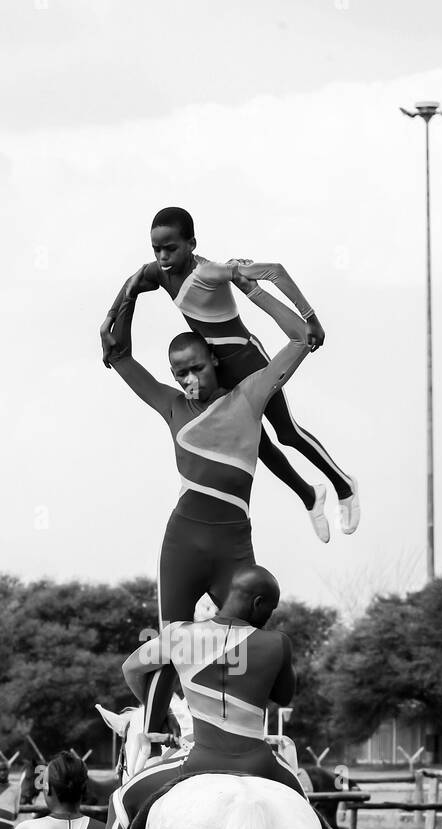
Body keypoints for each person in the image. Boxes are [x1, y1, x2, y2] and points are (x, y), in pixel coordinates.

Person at [75, 565, 341, 829]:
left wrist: (156, 711)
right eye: (269, 608)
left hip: (200, 759)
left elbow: (132, 668)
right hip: (260, 762)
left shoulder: (180, 635)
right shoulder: (277, 643)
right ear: (257, 603)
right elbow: (283, 693)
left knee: (120, 805)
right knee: (302, 813)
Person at [104, 264, 314, 756]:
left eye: (196, 368)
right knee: (168, 650)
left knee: (248, 644)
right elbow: (117, 352)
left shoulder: (249, 395)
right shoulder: (170, 405)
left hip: (234, 547)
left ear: (215, 362)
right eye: (180, 373)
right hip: (183, 543)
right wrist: (132, 289)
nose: (189, 380)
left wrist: (249, 287)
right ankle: (155, 741)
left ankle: (242, 740)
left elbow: (303, 336)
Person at [100, 206, 359, 538]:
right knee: (257, 445)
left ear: (191, 243)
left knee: (287, 433)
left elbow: (276, 271)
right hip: (218, 370)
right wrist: (108, 320)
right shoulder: (160, 272)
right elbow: (133, 282)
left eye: (171, 248)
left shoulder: (208, 272)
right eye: (157, 249)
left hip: (249, 359)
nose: (163, 256)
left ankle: (344, 485)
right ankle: (310, 496)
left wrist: (311, 317)